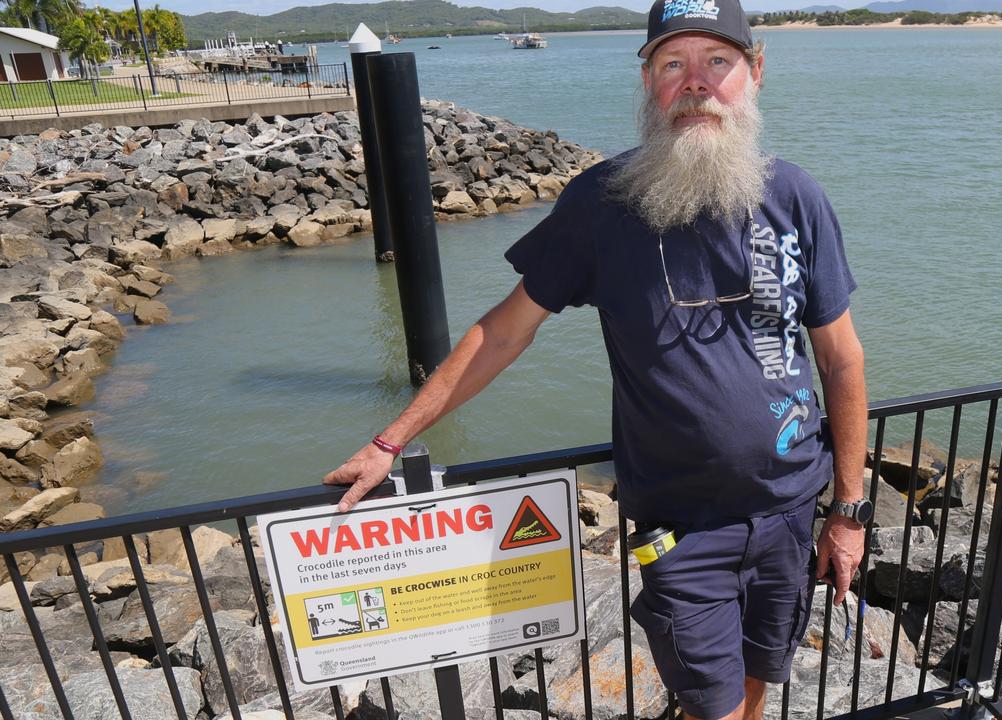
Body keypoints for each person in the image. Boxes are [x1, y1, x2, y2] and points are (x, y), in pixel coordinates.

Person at [323, 1, 869, 717]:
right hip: (682, 529)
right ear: (648, 81)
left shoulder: (795, 197)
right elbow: (504, 332)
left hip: (792, 511)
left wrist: (849, 511)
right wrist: (390, 439)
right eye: (673, 64)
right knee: (717, 706)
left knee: (761, 681)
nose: (696, 82)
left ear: (755, 72)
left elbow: (841, 360)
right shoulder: (602, 205)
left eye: (718, 62)